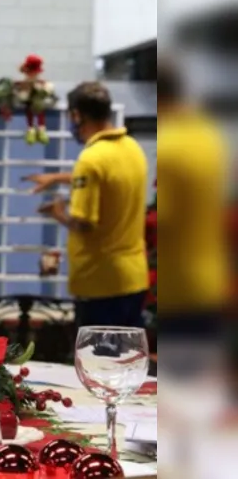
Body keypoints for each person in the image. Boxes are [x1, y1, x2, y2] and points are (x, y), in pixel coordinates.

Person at [35, 82, 148, 327]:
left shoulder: (91, 159)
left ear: (77, 115)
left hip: (100, 282)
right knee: (129, 360)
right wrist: (58, 178)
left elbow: (85, 223)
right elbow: (110, 180)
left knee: (99, 361)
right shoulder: (132, 148)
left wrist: (58, 213)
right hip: (134, 277)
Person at [153, 59, 228, 334]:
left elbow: (166, 219)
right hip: (211, 278)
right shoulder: (208, 135)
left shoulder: (170, 144)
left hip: (179, 286)